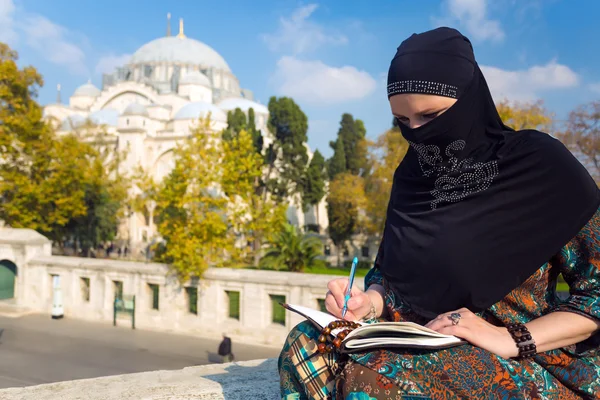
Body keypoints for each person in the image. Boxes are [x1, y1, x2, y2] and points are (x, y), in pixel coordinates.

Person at [278, 27, 600, 399]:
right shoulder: (412, 176)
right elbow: (394, 273)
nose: (416, 135)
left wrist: (506, 338)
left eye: (430, 116)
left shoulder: (541, 165)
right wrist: (370, 302)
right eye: (402, 122)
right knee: (305, 346)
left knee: (373, 378)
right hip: (423, 341)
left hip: (523, 356)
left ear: (469, 101)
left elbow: (595, 293)